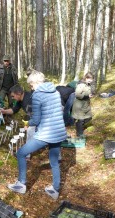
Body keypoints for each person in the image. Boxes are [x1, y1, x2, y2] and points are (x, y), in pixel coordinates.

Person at [7, 71, 67, 200]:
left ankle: (21, 184)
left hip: (46, 133)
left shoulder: (37, 95)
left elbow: (36, 119)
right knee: (54, 161)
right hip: (59, 131)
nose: (31, 88)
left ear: (35, 83)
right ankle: (55, 190)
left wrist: (28, 123)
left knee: (21, 153)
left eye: (31, 85)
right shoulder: (56, 92)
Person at [71, 72, 95, 139]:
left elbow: (86, 93)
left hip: (85, 105)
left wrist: (89, 95)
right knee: (81, 120)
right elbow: (77, 95)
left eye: (91, 79)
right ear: (86, 78)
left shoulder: (87, 84)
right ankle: (79, 134)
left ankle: (78, 125)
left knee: (89, 117)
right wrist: (87, 96)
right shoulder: (81, 85)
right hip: (79, 105)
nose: (90, 80)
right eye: (89, 78)